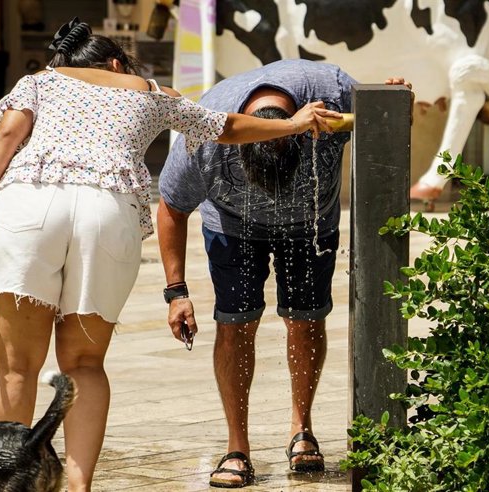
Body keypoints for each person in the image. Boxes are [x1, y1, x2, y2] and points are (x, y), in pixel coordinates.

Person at [0, 19, 340, 492]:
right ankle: (77, 486)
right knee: (84, 364)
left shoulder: (37, 83)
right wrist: (296, 123)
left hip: (31, 205)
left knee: (15, 366)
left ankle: (10, 484)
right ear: (116, 62)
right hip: (106, 212)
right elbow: (227, 127)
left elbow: (5, 139)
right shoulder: (151, 91)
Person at [157, 58, 410, 488]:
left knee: (307, 319)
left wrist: (393, 99)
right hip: (232, 226)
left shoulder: (333, 91)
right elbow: (172, 207)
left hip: (311, 223)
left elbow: (385, 120)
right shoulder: (205, 131)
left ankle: (301, 429)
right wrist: (176, 291)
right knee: (236, 324)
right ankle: (237, 446)